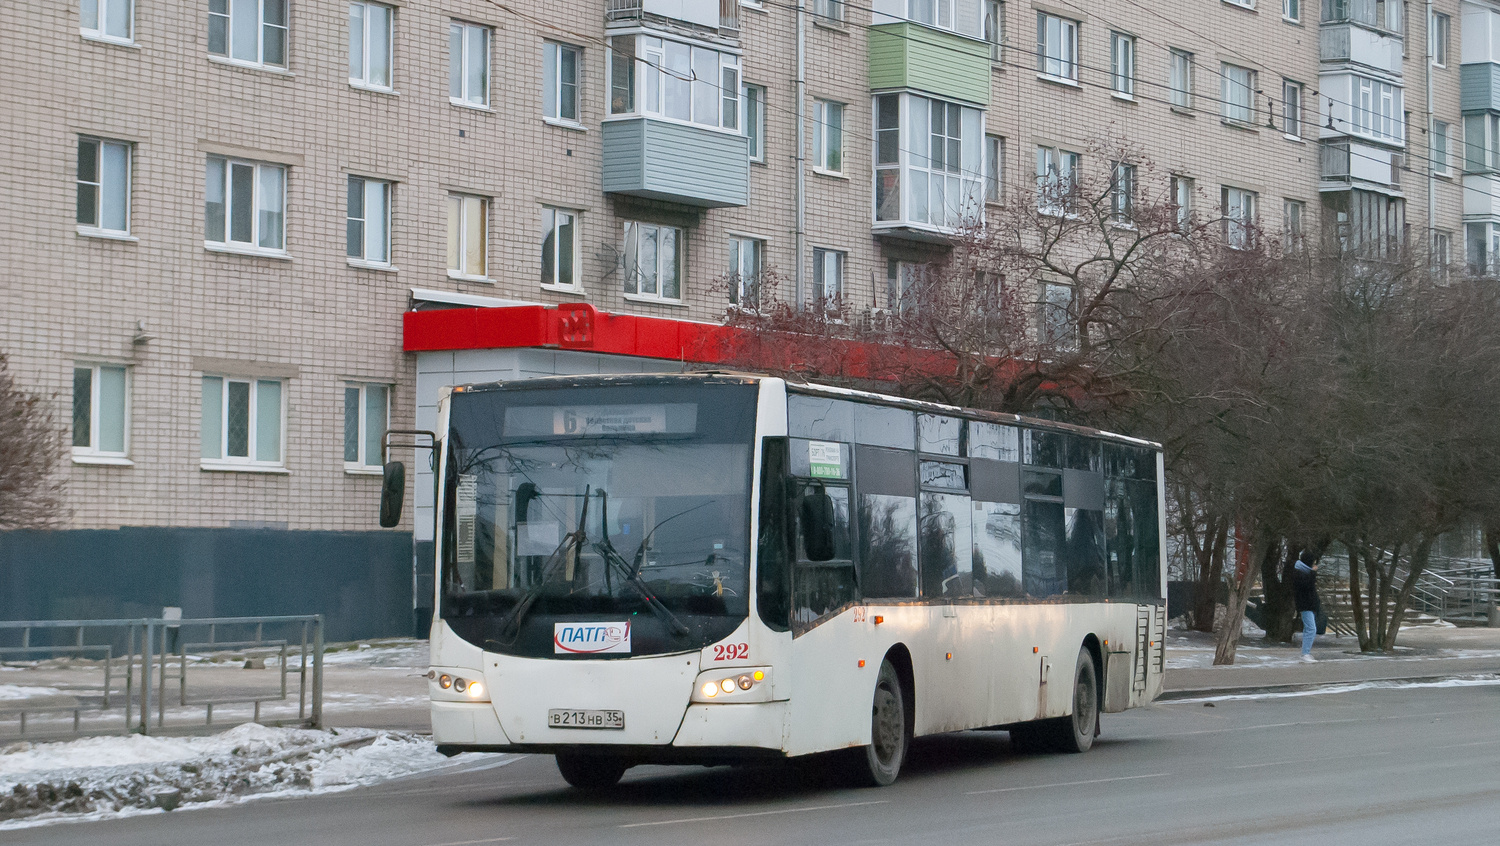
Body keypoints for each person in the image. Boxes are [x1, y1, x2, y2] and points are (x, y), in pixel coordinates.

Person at [1292, 550, 1322, 663]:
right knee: (1311, 629)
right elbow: (1307, 586)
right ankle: (1305, 653)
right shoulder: (1300, 572)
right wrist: (1313, 573)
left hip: (1308, 604)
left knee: (1308, 628)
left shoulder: (1304, 571)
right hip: (1305, 605)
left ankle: (1305, 652)